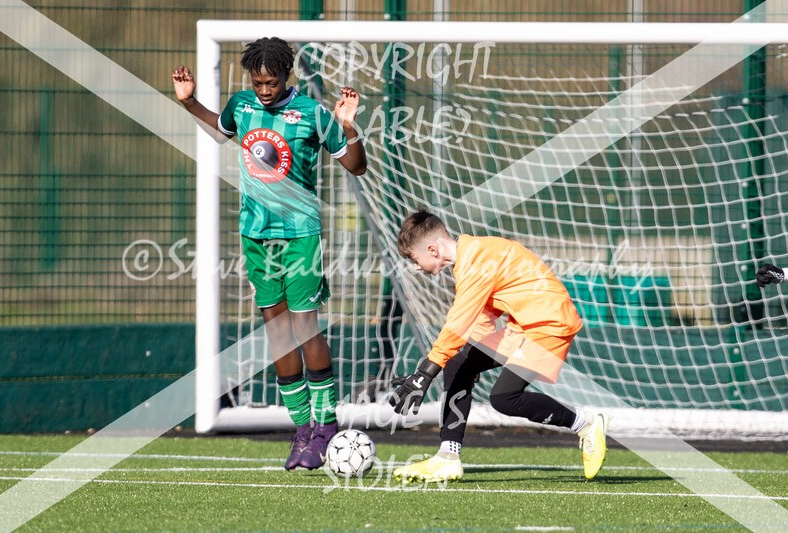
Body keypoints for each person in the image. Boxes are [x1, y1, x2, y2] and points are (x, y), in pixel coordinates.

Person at [172, 37, 367, 470]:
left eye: (271, 82)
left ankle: (327, 426)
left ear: (287, 76)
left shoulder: (313, 113)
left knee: (305, 328)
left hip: (301, 236)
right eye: (257, 82)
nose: (264, 90)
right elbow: (219, 130)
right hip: (255, 237)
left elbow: (356, 166)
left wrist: (349, 127)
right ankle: (301, 432)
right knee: (277, 334)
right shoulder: (241, 106)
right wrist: (190, 103)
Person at [389, 209, 608, 482]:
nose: (415, 266)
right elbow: (481, 318)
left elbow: (458, 324)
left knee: (504, 399)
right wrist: (470, 358)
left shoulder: (476, 261)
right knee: (458, 364)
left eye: (413, 258)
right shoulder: (472, 256)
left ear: (432, 249)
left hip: (550, 326)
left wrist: (425, 373)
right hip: (525, 326)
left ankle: (585, 423)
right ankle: (448, 457)